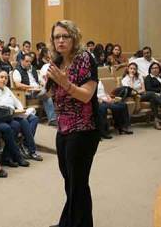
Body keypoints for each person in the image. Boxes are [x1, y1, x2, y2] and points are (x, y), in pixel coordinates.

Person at [46, 20, 100, 227]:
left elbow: (86, 95)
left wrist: (64, 83)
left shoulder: (85, 58)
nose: (60, 40)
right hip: (64, 128)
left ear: (74, 38)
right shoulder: (58, 61)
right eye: (56, 37)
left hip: (84, 128)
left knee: (77, 183)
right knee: (71, 182)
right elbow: (52, 92)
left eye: (65, 36)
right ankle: (71, 222)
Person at [0, 70, 42, 161]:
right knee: (24, 122)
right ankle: (31, 151)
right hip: (4, 116)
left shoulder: (7, 89)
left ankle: (25, 144)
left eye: (6, 78)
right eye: (1, 77)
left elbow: (16, 101)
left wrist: (21, 110)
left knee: (34, 118)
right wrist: (15, 111)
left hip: (15, 113)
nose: (4, 80)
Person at [13, 53, 57, 126]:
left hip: (37, 91)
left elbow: (39, 80)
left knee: (47, 94)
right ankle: (52, 119)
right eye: (27, 61)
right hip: (27, 92)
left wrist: (42, 84)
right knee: (47, 95)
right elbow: (18, 84)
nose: (29, 63)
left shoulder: (32, 69)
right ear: (21, 61)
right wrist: (31, 87)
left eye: (30, 61)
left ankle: (53, 119)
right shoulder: (17, 71)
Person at [122, 62, 161, 129]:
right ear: (128, 69)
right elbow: (131, 92)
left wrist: (137, 91)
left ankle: (156, 121)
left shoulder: (139, 76)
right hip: (134, 97)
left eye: (134, 69)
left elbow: (143, 90)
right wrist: (131, 79)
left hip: (142, 95)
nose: (132, 70)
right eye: (131, 68)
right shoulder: (125, 80)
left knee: (153, 99)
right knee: (152, 93)